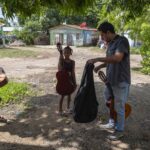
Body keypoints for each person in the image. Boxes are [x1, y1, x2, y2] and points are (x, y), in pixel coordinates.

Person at [87, 21, 131, 140]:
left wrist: (97, 59)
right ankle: (112, 122)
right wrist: (100, 66)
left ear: (108, 32)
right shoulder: (110, 44)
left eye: (102, 35)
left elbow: (117, 58)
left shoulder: (122, 41)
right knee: (109, 101)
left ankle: (119, 130)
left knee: (119, 106)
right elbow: (109, 60)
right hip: (110, 80)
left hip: (120, 80)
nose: (101, 38)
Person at [56, 43, 77, 115]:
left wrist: (75, 82)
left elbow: (73, 72)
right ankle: (60, 110)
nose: (66, 54)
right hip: (63, 81)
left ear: (70, 53)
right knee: (62, 95)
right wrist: (60, 52)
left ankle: (68, 108)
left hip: (70, 80)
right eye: (65, 52)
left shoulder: (72, 62)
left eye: (68, 52)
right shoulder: (62, 61)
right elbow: (60, 62)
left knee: (69, 94)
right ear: (64, 53)